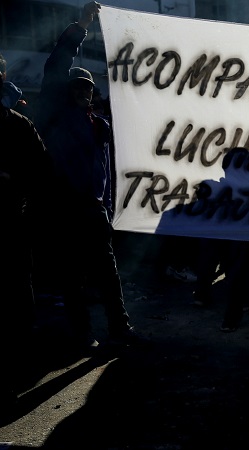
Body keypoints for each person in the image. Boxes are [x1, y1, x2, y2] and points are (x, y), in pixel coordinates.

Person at [36, 2, 146, 348]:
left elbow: (107, 170)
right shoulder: (55, 115)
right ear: (65, 92)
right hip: (66, 207)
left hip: (95, 209)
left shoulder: (100, 126)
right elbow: (56, 64)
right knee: (72, 276)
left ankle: (120, 328)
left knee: (107, 274)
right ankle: (82, 334)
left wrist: (110, 206)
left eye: (87, 88)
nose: (83, 92)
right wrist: (82, 25)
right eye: (77, 88)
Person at [0, 52, 51, 407]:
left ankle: (16, 364)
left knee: (17, 293)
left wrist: (11, 182)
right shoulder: (17, 123)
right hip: (12, 222)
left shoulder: (18, 124)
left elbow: (40, 171)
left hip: (10, 223)